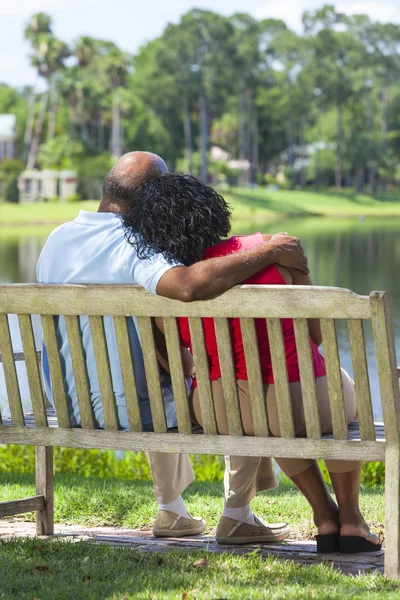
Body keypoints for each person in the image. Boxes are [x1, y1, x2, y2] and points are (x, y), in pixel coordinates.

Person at [37, 151, 307, 543]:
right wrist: (268, 251)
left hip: (64, 402)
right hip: (126, 409)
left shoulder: (57, 239)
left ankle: (172, 511)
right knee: (235, 383)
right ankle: (236, 514)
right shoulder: (131, 244)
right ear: (152, 196)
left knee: (156, 379)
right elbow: (186, 285)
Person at [121, 172, 381, 553]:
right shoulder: (276, 251)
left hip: (218, 410)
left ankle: (325, 515)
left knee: (264, 413)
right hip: (296, 399)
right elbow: (315, 335)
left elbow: (175, 357)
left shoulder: (165, 282)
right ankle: (353, 521)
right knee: (337, 398)